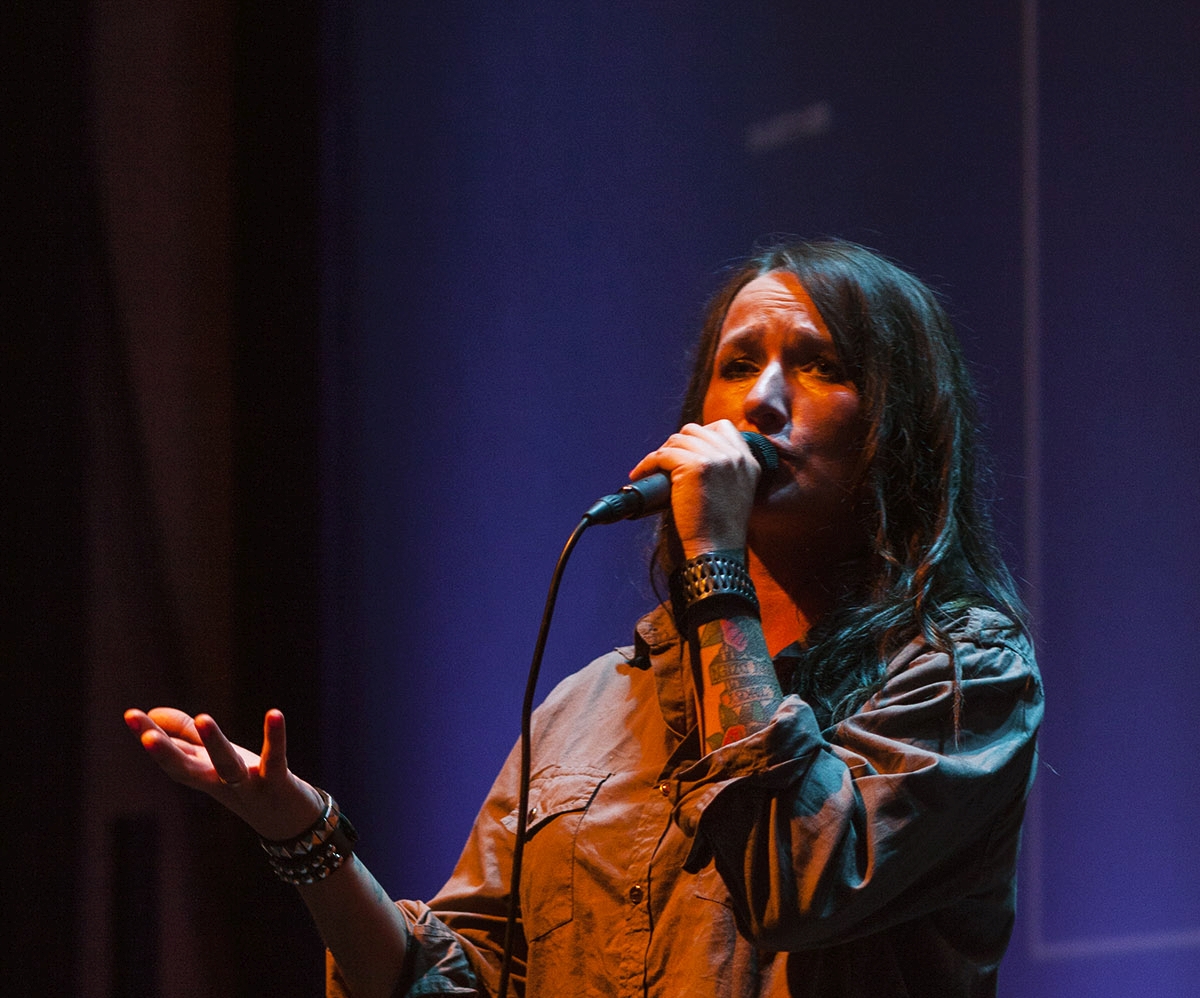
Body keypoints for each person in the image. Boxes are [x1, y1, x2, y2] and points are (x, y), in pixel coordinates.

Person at [125, 239, 1043, 998]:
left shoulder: (964, 671)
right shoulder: (591, 706)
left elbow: (796, 881)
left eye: (820, 366)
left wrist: (713, 559)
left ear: (898, 429)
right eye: (736, 366)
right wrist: (303, 834)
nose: (762, 401)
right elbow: (453, 982)